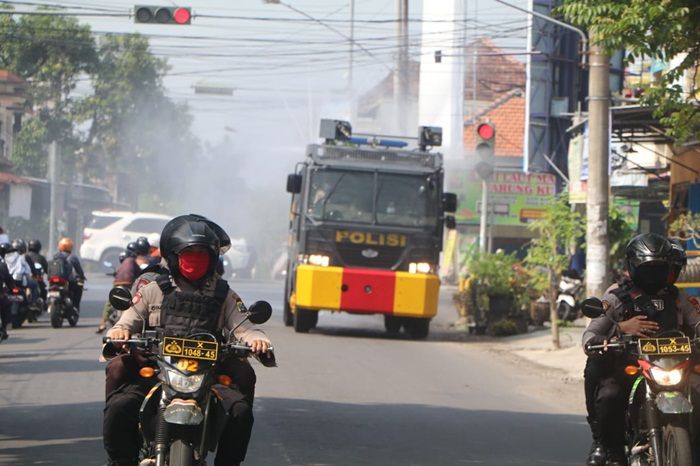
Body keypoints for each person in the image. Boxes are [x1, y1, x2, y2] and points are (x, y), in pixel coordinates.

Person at [102, 214, 274, 466]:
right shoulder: (153, 289)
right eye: (189, 252)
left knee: (240, 410)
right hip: (157, 370)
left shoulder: (223, 293)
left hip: (209, 373)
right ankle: (119, 461)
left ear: (213, 257)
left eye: (202, 253)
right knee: (119, 400)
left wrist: (258, 340)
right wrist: (120, 332)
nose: (196, 258)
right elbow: (128, 320)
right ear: (174, 255)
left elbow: (245, 326)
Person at [582, 233, 700, 466]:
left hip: (673, 367)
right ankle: (609, 447)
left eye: (658, 268)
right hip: (630, 365)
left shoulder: (677, 297)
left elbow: (696, 322)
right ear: (633, 266)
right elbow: (591, 334)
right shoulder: (616, 295)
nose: (653, 274)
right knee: (610, 395)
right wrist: (620, 329)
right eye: (647, 268)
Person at [53, 237, 86, 312]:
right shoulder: (73, 257)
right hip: (67, 281)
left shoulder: (55, 256)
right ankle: (75, 306)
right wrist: (82, 277)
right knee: (78, 288)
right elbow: (79, 270)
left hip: (55, 280)